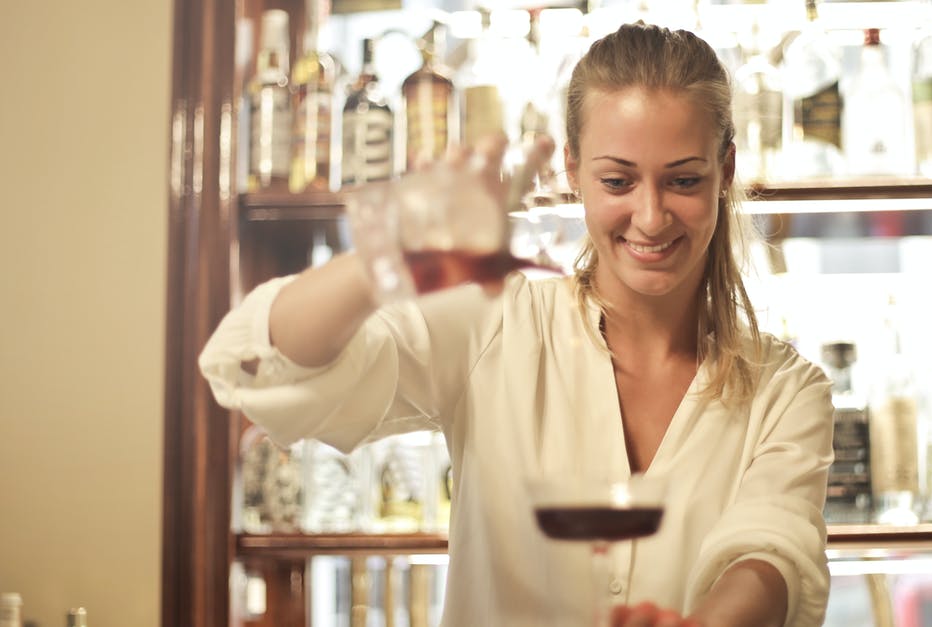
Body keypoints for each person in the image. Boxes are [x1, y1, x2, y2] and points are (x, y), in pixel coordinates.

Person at [200, 22, 833, 627]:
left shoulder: (787, 391)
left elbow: (770, 553)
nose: (649, 216)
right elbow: (264, 366)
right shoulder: (495, 324)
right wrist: (388, 251)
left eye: (683, 180)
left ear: (724, 172)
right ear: (572, 171)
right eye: (617, 180)